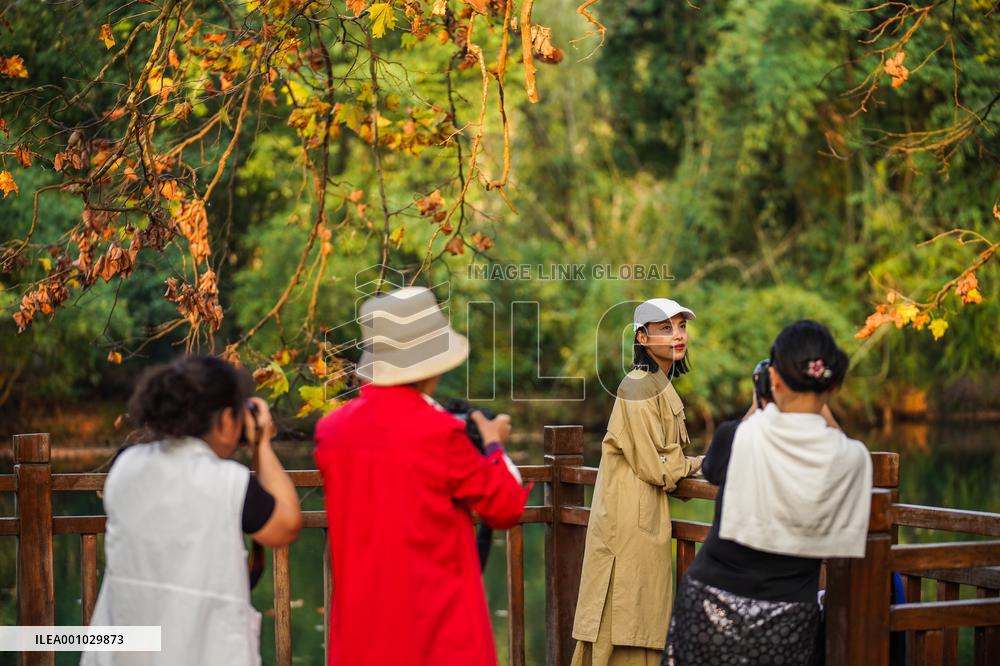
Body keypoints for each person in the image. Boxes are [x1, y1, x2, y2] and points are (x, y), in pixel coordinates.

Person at [314, 286, 531, 666]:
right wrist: (495, 447)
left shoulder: (332, 432)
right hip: (437, 636)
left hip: (361, 640)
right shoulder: (439, 433)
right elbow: (505, 507)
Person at [664, 320, 873, 666]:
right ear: (833, 385)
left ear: (773, 379)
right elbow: (838, 440)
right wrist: (818, 403)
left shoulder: (736, 437)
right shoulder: (853, 459)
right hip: (789, 619)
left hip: (708, 606)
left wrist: (763, 400)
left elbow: (714, 470)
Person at [82, 355, 302, 665]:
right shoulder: (228, 483)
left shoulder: (125, 464)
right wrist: (262, 444)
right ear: (226, 420)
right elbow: (286, 525)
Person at [572, 298, 705, 666]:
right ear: (642, 338)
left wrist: (685, 464)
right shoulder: (637, 387)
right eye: (666, 329)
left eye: (681, 327)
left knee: (640, 618)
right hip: (627, 523)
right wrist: (697, 464)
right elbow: (657, 467)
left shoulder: (656, 384)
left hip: (642, 518)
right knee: (622, 622)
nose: (678, 336)